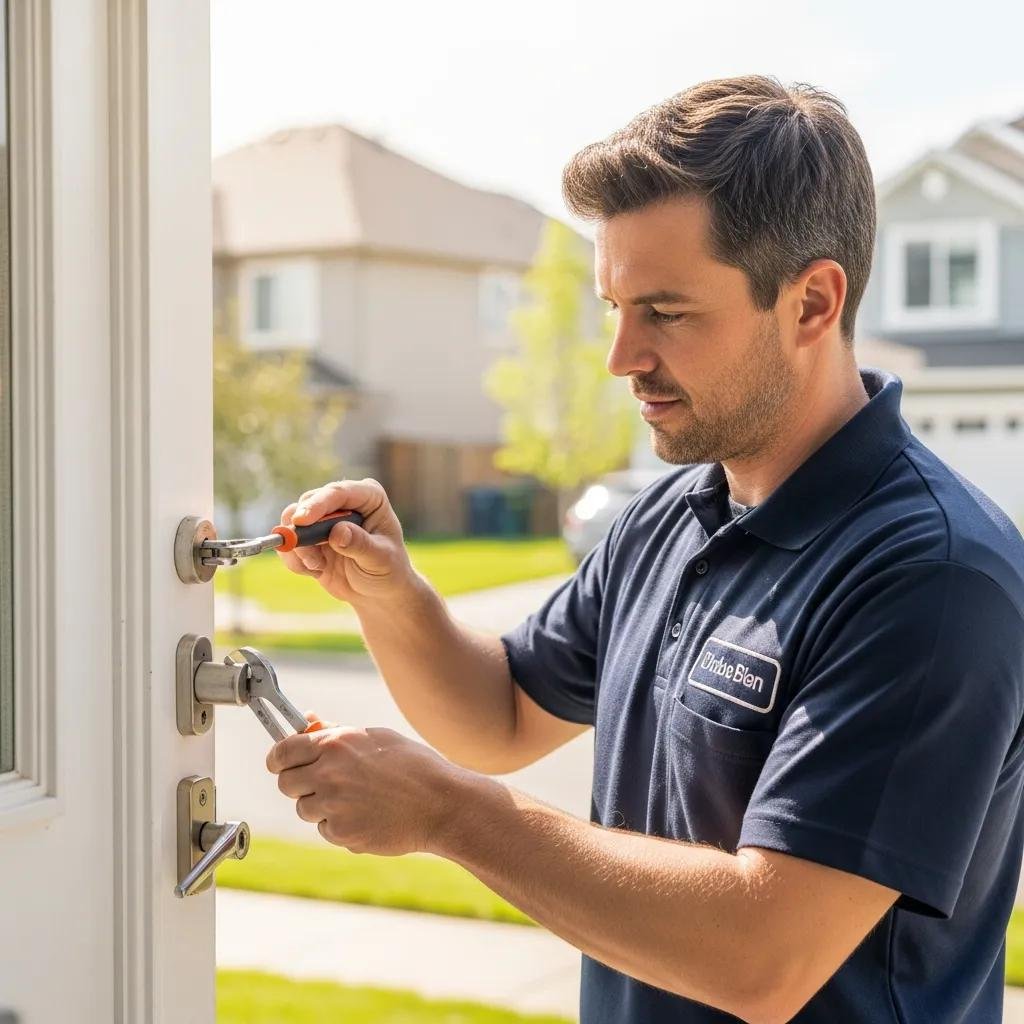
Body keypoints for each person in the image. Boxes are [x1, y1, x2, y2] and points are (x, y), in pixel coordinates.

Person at [264, 74, 1024, 1023]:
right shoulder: (667, 518)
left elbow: (766, 955)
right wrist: (387, 590)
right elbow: (497, 718)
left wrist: (450, 814)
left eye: (665, 312)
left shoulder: (934, 578)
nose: (621, 356)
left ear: (812, 303)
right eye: (613, 308)